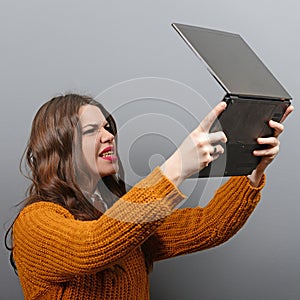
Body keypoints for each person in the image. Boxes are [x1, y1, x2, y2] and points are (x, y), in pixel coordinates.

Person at [5, 93, 293, 300]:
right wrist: (177, 167)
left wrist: (253, 170)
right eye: (92, 130)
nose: (108, 136)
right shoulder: (35, 222)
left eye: (108, 127)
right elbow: (94, 243)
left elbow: (210, 225)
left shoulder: (122, 216)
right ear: (61, 148)